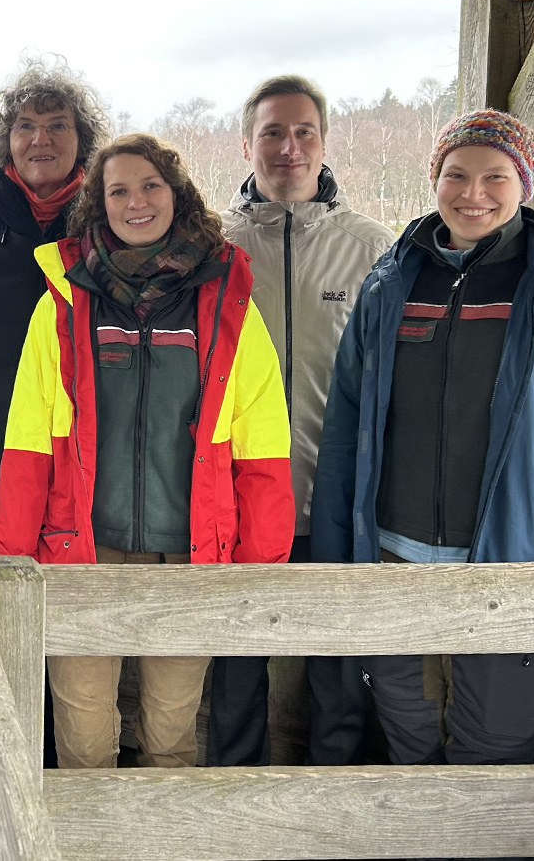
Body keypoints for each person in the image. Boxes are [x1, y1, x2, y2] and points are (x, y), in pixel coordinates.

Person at [312, 109, 534, 765]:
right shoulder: (390, 284)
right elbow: (348, 425)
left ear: (526, 184)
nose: (473, 193)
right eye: (455, 174)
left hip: (508, 559)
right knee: (406, 731)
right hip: (393, 555)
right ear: (433, 178)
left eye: (495, 176)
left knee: (496, 745)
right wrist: (335, 542)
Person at [0, 133, 293, 770]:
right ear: (98, 206)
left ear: (176, 195)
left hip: (189, 551)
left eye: (150, 186)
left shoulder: (225, 303)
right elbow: (27, 439)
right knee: (82, 735)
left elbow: (260, 438)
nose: (136, 202)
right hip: (81, 548)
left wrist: (260, 557)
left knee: (171, 730)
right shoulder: (63, 304)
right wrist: (14, 556)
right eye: (118, 190)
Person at [207, 75, 393, 767]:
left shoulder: (373, 250)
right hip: (233, 500)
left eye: (303, 132)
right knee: (234, 670)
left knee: (338, 670)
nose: (289, 147)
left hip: (332, 495)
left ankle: (335, 806)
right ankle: (235, 801)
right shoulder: (211, 247)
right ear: (247, 143)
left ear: (323, 142)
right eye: (273, 132)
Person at [0, 55, 110, 566]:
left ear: (82, 140)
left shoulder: (110, 234)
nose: (42, 139)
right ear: (6, 141)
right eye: (26, 126)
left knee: (71, 645)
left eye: (59, 125)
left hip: (87, 482)